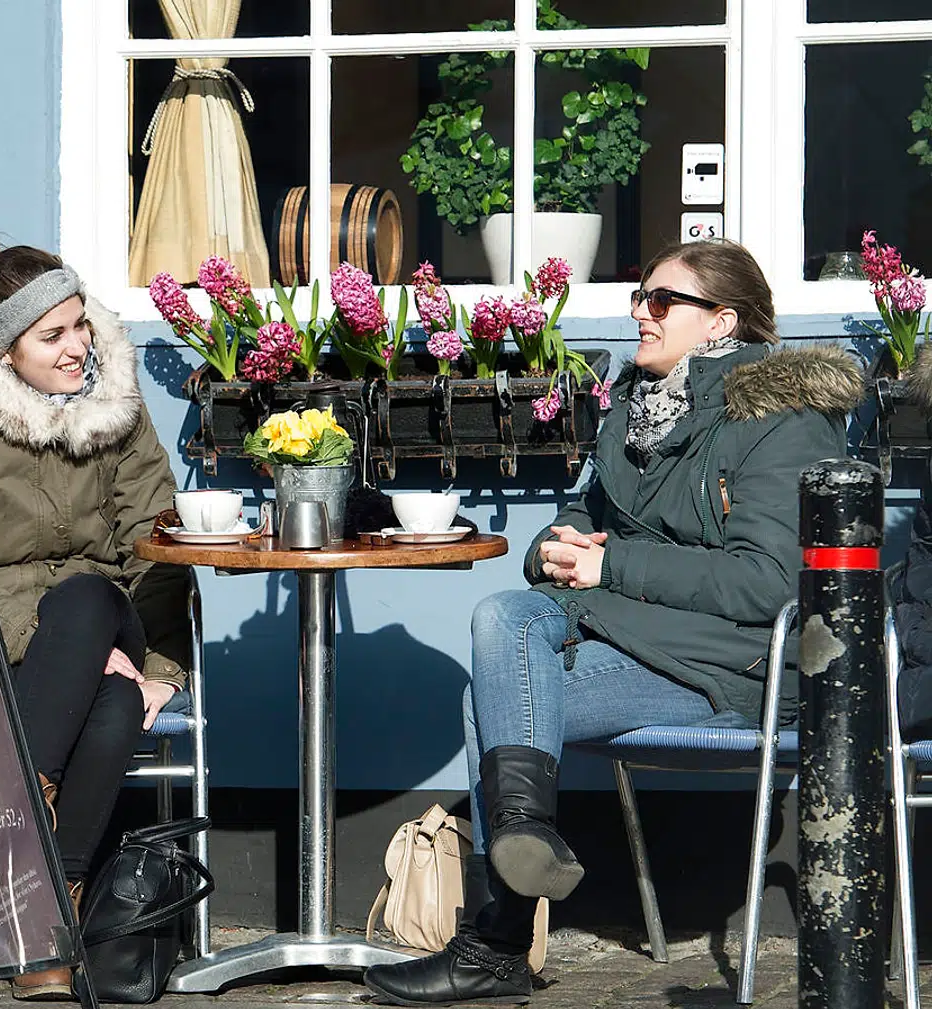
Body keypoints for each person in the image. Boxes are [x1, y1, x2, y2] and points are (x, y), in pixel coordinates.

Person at [364, 239, 864, 1005]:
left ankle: (498, 942)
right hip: (636, 640)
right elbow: (586, 513)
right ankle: (525, 839)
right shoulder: (637, 410)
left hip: (733, 668)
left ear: (722, 321)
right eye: (640, 296)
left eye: (662, 301)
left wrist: (610, 568)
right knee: (506, 620)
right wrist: (553, 547)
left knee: (490, 684)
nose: (639, 312)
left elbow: (767, 583)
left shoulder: (780, 419)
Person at [0, 237, 191, 1000]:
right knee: (107, 703)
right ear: (2, 352)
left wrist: (158, 671)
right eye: (52, 335)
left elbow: (156, 537)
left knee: (86, 600)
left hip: (107, 616)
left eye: (81, 324)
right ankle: (48, 921)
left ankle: (11, 847)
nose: (79, 346)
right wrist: (88, 665)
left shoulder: (114, 400)